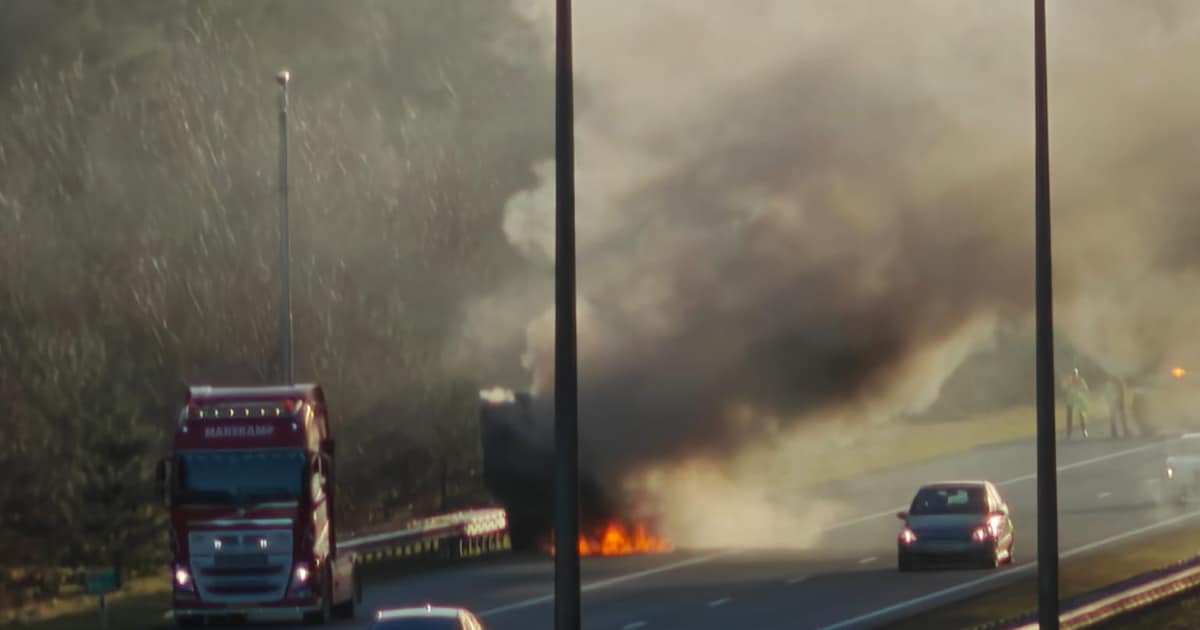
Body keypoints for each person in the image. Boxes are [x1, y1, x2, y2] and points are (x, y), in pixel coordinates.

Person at [1063, 367, 1090, 439]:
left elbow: (1085, 389)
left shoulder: (1081, 381)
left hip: (1079, 401)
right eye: (1073, 374)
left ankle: (1084, 430)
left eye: (1075, 374)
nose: (1074, 375)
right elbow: (1064, 388)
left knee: (1082, 416)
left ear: (1077, 374)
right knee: (1069, 417)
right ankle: (1069, 432)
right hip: (1070, 401)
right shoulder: (1069, 381)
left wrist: (1079, 392)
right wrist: (1067, 382)